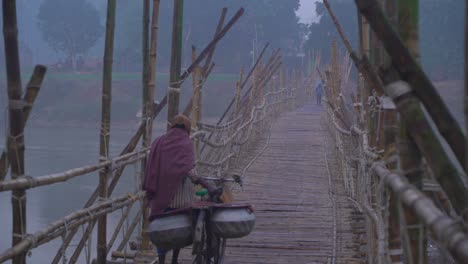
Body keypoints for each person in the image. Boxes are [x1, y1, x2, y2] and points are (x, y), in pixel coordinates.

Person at [143, 114, 218, 264]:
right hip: (180, 200)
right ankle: (175, 259)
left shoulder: (159, 141)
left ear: (172, 126)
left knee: (161, 230)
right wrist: (208, 186)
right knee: (179, 229)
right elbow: (191, 173)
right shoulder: (185, 143)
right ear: (187, 128)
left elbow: (151, 168)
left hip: (160, 198)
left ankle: (162, 260)